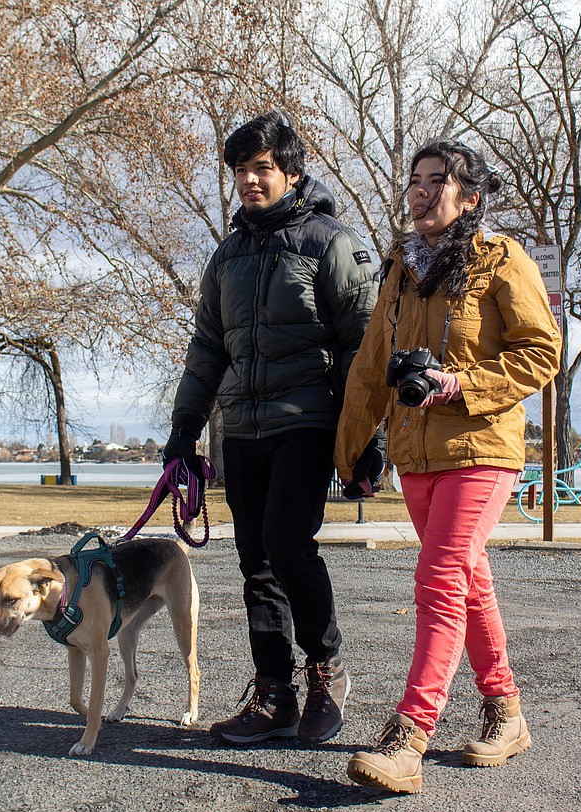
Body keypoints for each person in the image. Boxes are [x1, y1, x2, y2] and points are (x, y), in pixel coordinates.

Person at [334, 140, 561, 793]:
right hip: (416, 454)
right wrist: (351, 450)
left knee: (438, 576)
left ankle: (410, 732)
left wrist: (460, 384)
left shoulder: (500, 258)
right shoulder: (401, 270)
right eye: (416, 181)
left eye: (439, 182)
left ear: (470, 196)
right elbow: (371, 369)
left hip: (483, 444)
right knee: (468, 580)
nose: (423, 192)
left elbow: (541, 351)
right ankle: (506, 712)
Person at [164, 111, 380, 746]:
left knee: (288, 546)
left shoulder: (330, 243)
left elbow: (361, 348)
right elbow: (207, 349)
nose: (250, 182)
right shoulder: (226, 256)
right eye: (240, 171)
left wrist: (367, 438)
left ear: (291, 171)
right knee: (255, 562)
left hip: (307, 422)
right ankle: (273, 694)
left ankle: (326, 672)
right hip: (243, 430)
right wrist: (184, 433)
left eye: (262, 169)